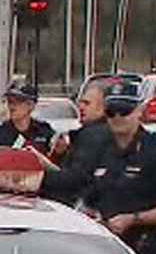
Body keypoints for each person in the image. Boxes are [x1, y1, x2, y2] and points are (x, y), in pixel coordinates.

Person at [81, 81, 156, 254]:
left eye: (124, 111)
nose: (117, 118)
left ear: (139, 111)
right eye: (111, 112)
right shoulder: (100, 150)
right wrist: (91, 215)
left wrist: (134, 219)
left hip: (143, 251)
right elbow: (88, 198)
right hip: (105, 253)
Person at [39, 79, 116, 207]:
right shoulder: (96, 133)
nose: (81, 107)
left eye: (87, 103)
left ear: (104, 107)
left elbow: (76, 178)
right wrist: (61, 155)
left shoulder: (93, 136)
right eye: (80, 102)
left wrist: (40, 177)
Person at [0, 83, 56, 155]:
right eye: (10, 101)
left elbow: (53, 157)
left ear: (31, 106)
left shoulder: (44, 131)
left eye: (18, 101)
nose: (12, 106)